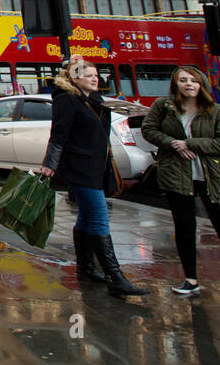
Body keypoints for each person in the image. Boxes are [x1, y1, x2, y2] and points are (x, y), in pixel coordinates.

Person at [142, 66, 220, 301]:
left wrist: (190, 144)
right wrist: (173, 143)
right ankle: (190, 279)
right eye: (183, 80)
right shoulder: (164, 107)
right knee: (184, 228)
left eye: (194, 80)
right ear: (176, 85)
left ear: (201, 84)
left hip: (217, 178)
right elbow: (149, 130)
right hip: (177, 176)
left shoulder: (216, 111)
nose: (189, 84)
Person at [40, 56, 147, 297]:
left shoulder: (94, 99)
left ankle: (86, 269)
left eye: (96, 76)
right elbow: (59, 135)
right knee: (99, 217)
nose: (95, 79)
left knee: (87, 218)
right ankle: (114, 276)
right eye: (89, 76)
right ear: (75, 78)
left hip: (98, 166)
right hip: (80, 167)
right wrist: (50, 164)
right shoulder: (66, 100)